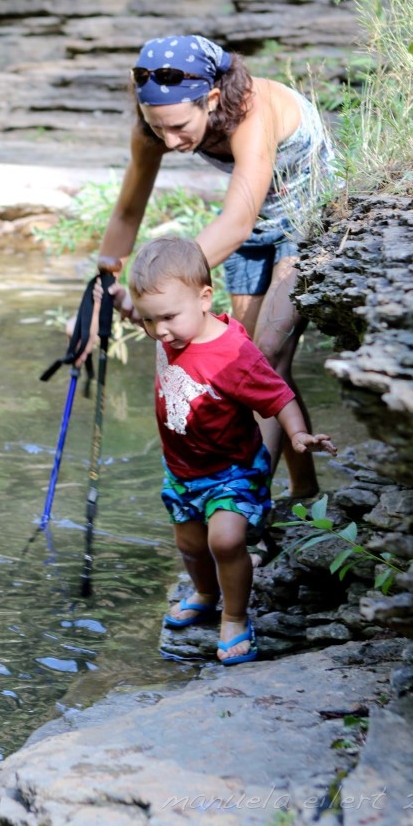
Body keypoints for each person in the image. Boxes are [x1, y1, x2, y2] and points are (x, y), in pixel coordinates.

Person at [94, 34, 336, 545]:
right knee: (243, 362)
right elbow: (127, 210)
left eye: (180, 127)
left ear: (209, 99)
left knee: (263, 357)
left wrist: (162, 289)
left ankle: (249, 504)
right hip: (249, 227)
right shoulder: (154, 126)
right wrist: (107, 276)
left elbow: (238, 219)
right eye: (158, 127)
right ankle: (306, 490)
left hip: (305, 221)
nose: (171, 141)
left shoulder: (253, 111)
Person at [127, 236, 337, 665]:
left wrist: (297, 434)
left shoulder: (234, 355)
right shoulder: (169, 330)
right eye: (149, 321)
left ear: (205, 298)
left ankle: (236, 618)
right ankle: (205, 593)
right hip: (183, 469)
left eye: (167, 318)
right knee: (189, 543)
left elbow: (278, 396)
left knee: (224, 541)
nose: (158, 331)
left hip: (232, 469)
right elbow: (149, 312)